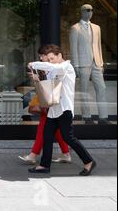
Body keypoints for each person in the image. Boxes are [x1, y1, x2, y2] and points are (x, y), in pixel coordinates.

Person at [27, 44, 97, 176]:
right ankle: (44, 165)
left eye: (51, 58)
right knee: (47, 136)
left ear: (59, 55)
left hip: (64, 109)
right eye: (47, 59)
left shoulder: (66, 67)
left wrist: (35, 64)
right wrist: (39, 78)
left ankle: (89, 161)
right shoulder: (56, 68)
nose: (49, 62)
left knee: (68, 137)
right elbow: (50, 84)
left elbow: (53, 68)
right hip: (53, 109)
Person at [19, 45, 71, 165]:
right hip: (53, 100)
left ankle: (34, 155)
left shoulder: (60, 66)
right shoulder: (52, 66)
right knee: (55, 129)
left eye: (44, 56)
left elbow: (53, 83)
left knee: (45, 127)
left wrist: (37, 72)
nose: (42, 59)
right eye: (42, 56)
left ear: (58, 56)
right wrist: (38, 79)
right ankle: (66, 153)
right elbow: (48, 82)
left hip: (55, 101)